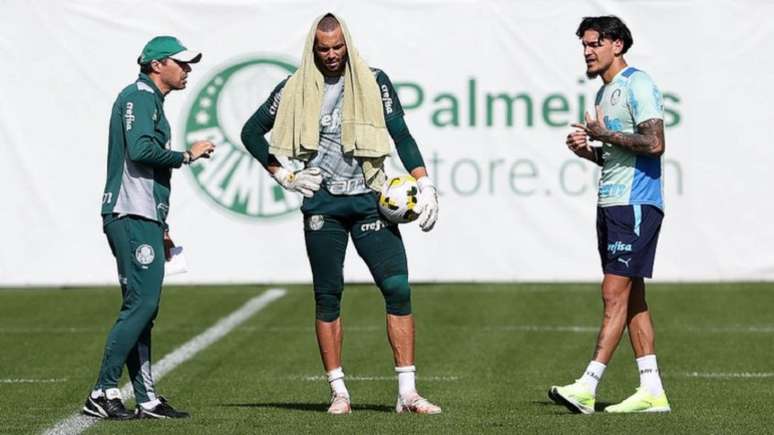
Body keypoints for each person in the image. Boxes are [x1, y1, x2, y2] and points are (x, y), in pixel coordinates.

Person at [241, 13, 441, 415]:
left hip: (370, 199)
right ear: (312, 49)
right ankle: (339, 392)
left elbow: (399, 132)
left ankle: (408, 393)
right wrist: (284, 174)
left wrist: (425, 183)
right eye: (323, 49)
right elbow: (250, 131)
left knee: (398, 288)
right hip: (324, 206)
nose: (332, 55)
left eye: (337, 47)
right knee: (328, 296)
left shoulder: (374, 80)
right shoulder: (292, 88)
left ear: (347, 43)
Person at [84, 36, 215, 420]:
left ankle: (147, 399)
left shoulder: (150, 101)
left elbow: (148, 169)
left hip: (143, 216)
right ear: (158, 65)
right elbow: (140, 151)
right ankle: (102, 390)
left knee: (143, 308)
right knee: (142, 304)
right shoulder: (139, 97)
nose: (187, 69)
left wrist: (162, 223)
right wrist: (187, 155)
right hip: (129, 212)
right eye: (181, 63)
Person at [548, 16, 670, 414]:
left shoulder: (638, 83)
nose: (587, 51)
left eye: (594, 43)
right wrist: (589, 151)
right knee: (632, 296)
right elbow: (617, 155)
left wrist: (604, 134)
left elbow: (654, 142)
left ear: (617, 45)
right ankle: (652, 390)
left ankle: (588, 385)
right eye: (584, 45)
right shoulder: (604, 94)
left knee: (613, 292)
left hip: (635, 203)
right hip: (612, 203)